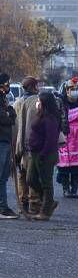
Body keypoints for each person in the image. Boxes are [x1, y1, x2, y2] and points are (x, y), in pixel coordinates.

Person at [26, 92, 62, 220]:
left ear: (45, 103)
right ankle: (49, 201)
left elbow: (51, 139)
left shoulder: (50, 118)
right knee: (31, 179)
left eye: (40, 101)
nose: (37, 103)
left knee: (46, 183)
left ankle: (46, 211)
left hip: (45, 154)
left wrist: (43, 154)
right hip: (34, 153)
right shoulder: (40, 115)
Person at [13, 77, 40, 216]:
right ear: (32, 87)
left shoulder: (17, 102)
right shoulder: (36, 102)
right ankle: (33, 205)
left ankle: (22, 203)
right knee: (32, 174)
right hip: (30, 142)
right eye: (37, 85)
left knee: (21, 173)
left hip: (18, 144)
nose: (38, 87)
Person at [0, 74, 17, 218]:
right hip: (1, 141)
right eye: (6, 84)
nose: (8, 86)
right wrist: (10, 114)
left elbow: (11, 114)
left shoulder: (3, 99)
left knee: (4, 176)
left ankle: (3, 206)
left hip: (5, 140)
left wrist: (10, 113)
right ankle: (2, 208)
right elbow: (5, 119)